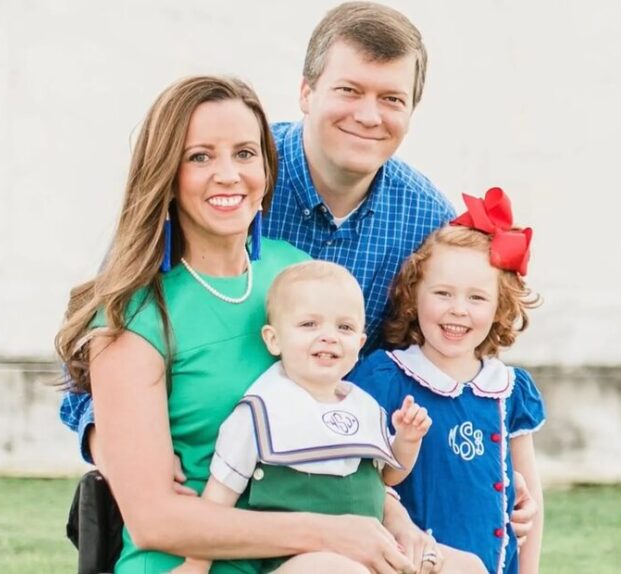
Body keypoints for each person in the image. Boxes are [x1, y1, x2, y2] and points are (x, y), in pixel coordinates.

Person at [61, 0, 540, 559]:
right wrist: (121, 445)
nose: (368, 115)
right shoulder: (232, 176)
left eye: (391, 98)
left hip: (344, 487)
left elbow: (435, 365)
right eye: (349, 90)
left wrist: (482, 463)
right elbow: (96, 359)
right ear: (306, 92)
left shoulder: (421, 221)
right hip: (222, 514)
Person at [56, 75, 424, 574]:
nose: (228, 175)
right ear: (166, 174)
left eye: (245, 154)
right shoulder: (133, 316)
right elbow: (154, 521)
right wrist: (327, 532)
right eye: (200, 157)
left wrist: (395, 521)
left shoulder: (296, 273)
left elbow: (338, 429)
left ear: (267, 170)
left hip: (307, 557)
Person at [174, 261, 492, 574]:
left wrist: (407, 441)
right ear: (273, 339)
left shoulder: (363, 405)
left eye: (345, 328)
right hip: (299, 561)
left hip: (374, 552)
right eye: (309, 324)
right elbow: (219, 495)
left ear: (360, 344)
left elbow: (387, 478)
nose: (329, 336)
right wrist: (195, 565)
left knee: (468, 566)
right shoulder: (262, 409)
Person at [350, 188, 546, 574]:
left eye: (477, 298)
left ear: (500, 306)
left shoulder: (509, 389)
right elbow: (358, 477)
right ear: (413, 295)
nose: (458, 309)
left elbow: (530, 496)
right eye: (442, 293)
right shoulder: (385, 376)